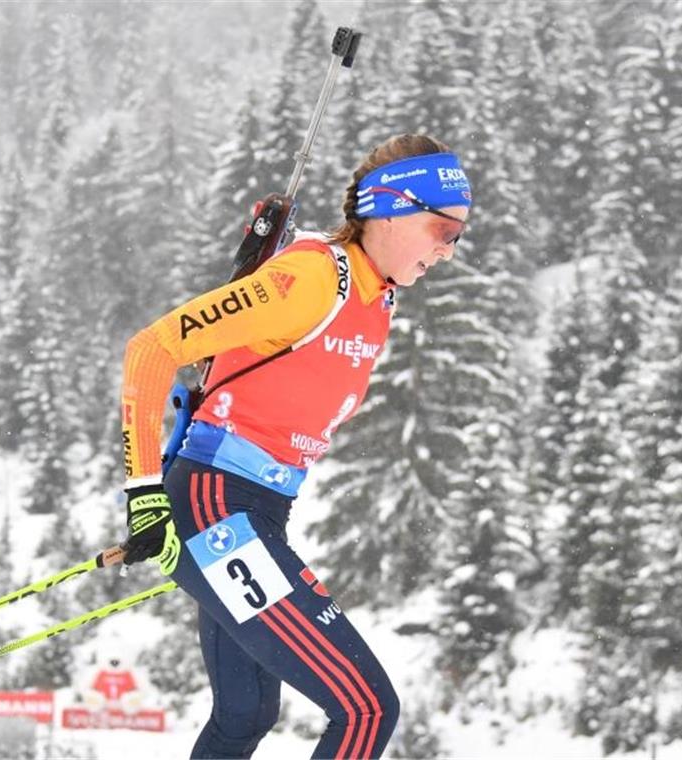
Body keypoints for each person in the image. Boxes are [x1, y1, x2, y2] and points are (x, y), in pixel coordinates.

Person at [118, 133, 471, 759]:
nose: (449, 250)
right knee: (365, 709)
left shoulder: (379, 295)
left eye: (459, 235)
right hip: (214, 507)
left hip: (255, 509)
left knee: (246, 712)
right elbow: (153, 349)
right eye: (443, 229)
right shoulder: (312, 277)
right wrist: (144, 493)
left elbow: (245, 371)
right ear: (388, 210)